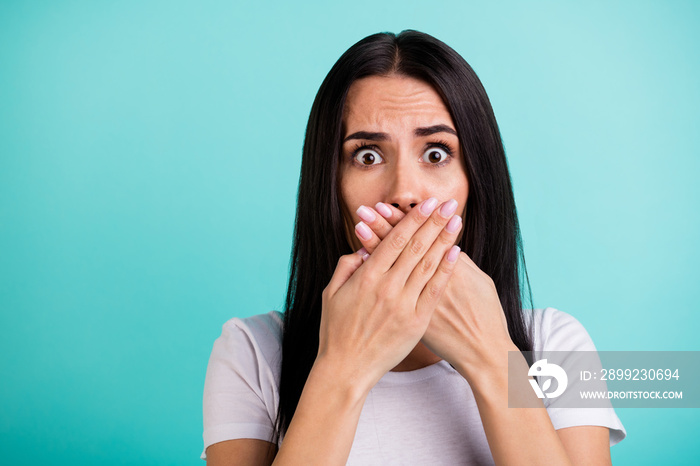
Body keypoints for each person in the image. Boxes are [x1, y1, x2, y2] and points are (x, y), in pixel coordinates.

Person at [202, 30, 626, 465]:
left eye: (437, 154)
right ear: (329, 184)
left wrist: (491, 360)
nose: (404, 192)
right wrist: (341, 366)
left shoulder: (555, 346)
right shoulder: (253, 351)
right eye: (367, 155)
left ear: (476, 180)